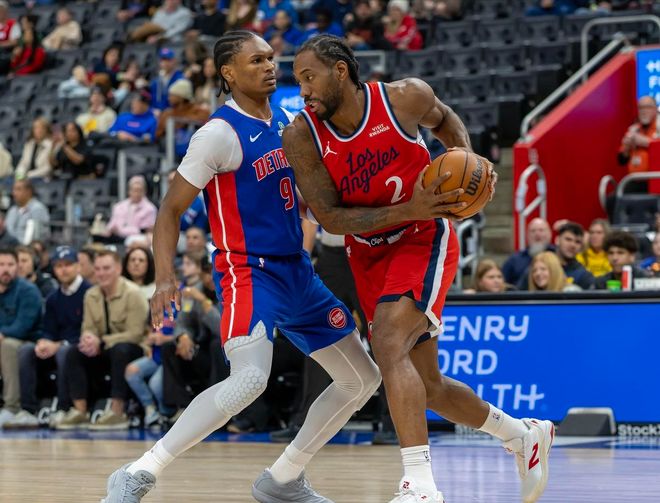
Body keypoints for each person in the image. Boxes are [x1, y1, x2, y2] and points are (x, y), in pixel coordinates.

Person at [101, 31, 381, 503]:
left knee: (363, 378)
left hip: (297, 271)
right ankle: (139, 471)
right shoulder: (218, 134)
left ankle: (283, 479)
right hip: (248, 271)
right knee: (250, 379)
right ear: (228, 73)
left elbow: (309, 198)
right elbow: (170, 210)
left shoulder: (289, 122)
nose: (270, 66)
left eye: (271, 58)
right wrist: (165, 278)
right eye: (256, 60)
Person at [285, 34, 554, 502]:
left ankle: (420, 485)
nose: (303, 90)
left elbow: (445, 120)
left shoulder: (404, 98)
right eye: (298, 80)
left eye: (309, 77)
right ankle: (522, 434)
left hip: (422, 237)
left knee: (388, 343)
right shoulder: (302, 135)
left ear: (340, 71)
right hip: (368, 251)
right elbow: (330, 218)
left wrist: (470, 161)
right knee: (428, 387)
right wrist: (408, 207)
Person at [52, 250, 148, 431]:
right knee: (74, 352)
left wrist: (101, 341)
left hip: (133, 350)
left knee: (121, 349)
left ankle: (117, 412)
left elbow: (135, 334)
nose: (101, 273)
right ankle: (80, 411)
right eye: (97, 269)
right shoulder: (91, 294)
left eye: (106, 268)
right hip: (104, 349)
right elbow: (87, 327)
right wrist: (88, 339)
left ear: (118, 269)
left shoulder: (133, 293)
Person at [6, 246, 91, 429]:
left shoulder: (90, 293)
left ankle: (63, 408)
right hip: (58, 345)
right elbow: (49, 329)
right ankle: (28, 410)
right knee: (26, 350)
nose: (63, 270)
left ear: (78, 266)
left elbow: (89, 329)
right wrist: (44, 341)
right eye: (58, 266)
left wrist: (59, 344)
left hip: (81, 348)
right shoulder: (53, 297)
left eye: (68, 264)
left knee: (64, 352)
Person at [0, 248, 42, 428]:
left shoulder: (28, 290)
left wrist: (2, 334)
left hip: (29, 341)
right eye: (1, 264)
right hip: (4, 338)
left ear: (18, 267)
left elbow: (22, 327)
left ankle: (12, 407)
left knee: (8, 346)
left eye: (10, 264)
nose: (5, 269)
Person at [502, 218, 553, 286]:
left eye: (541, 230)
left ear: (550, 234)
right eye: (533, 231)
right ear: (527, 235)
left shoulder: (558, 255)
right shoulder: (514, 260)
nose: (537, 234)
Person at [5, 179, 50, 244]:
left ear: (28, 191)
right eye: (13, 190)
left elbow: (39, 238)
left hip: (26, 248)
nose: (14, 193)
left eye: (18, 189)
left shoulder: (38, 209)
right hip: (8, 246)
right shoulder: (12, 210)